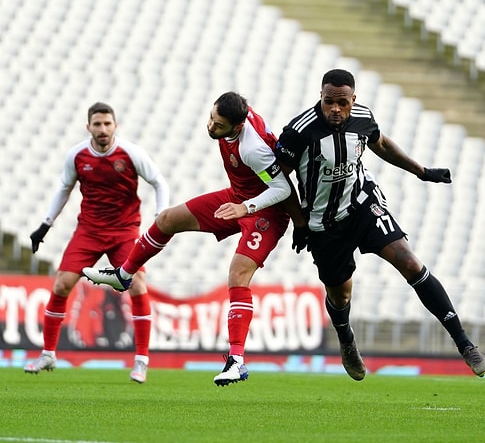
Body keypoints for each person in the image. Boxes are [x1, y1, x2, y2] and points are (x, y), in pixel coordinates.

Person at [274, 69, 485, 380]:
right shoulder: (299, 131)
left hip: (363, 204)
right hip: (324, 224)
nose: (335, 109)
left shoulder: (363, 118)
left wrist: (421, 171)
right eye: (328, 102)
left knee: (411, 263)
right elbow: (277, 176)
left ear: (353, 100)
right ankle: (346, 339)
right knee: (341, 296)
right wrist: (298, 221)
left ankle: (465, 344)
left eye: (342, 102)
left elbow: (383, 145)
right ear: (320, 98)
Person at [83, 92, 295, 386]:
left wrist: (246, 208)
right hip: (237, 197)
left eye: (218, 125)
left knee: (237, 274)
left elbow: (283, 189)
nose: (211, 126)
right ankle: (124, 274)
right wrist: (240, 202)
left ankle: (237, 361)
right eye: (211, 117)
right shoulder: (233, 117)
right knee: (167, 219)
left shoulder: (252, 148)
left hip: (266, 212)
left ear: (237, 127)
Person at [24, 102, 169, 383]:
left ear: (115, 125)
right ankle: (48, 353)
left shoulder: (131, 153)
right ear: (88, 126)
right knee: (61, 284)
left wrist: (159, 216)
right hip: (89, 231)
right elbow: (64, 189)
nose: (102, 129)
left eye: (107, 124)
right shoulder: (77, 155)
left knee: (137, 285)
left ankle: (141, 361)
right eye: (97, 124)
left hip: (124, 231)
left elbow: (159, 182)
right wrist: (45, 225)